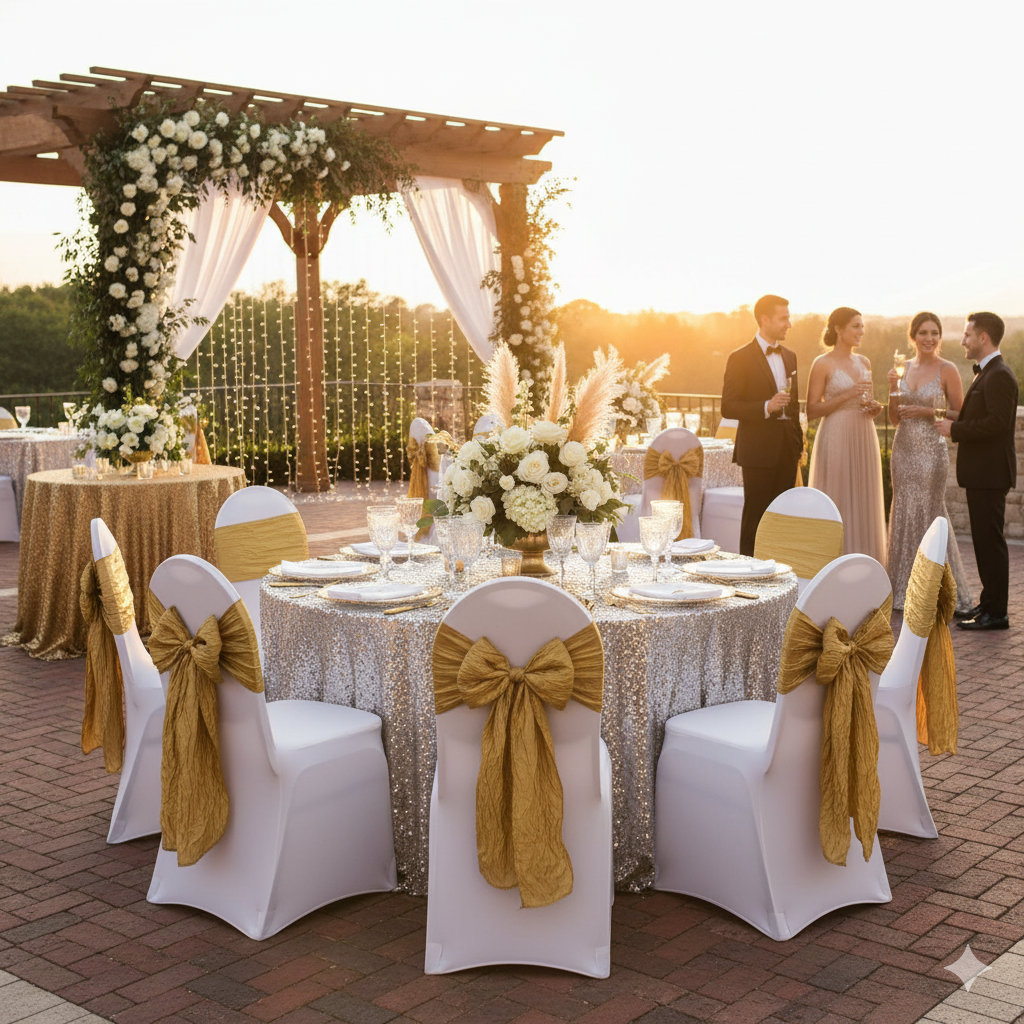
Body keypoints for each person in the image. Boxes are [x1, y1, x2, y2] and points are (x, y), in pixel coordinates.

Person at [886, 313, 973, 614]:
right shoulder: (904, 368)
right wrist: (893, 388)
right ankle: (903, 587)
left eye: (935, 333)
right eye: (923, 333)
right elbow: (895, 418)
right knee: (904, 511)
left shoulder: (947, 369)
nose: (929, 338)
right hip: (903, 450)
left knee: (931, 512)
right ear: (913, 336)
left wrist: (925, 411)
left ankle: (939, 591)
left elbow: (960, 414)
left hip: (932, 452)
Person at [937, 312, 1018, 631]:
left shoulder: (999, 375)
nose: (963, 341)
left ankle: (997, 613)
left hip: (990, 474)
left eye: (967, 335)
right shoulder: (988, 372)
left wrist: (955, 429)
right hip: (983, 474)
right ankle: (989, 603)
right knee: (984, 543)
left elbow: (997, 423)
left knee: (991, 543)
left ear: (983, 338)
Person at [721, 294, 803, 555]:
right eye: (783, 318)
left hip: (787, 452)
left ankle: (779, 571)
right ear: (765, 319)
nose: (789, 324)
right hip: (757, 453)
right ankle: (748, 570)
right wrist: (766, 406)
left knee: (783, 520)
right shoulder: (740, 357)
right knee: (755, 520)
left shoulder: (790, 357)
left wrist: (798, 447)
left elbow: (794, 406)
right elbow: (728, 406)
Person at [806, 307, 887, 566]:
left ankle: (864, 566)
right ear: (838, 330)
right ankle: (832, 564)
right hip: (837, 435)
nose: (861, 331)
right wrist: (849, 394)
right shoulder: (822, 363)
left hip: (864, 434)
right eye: (856, 326)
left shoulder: (864, 363)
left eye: (863, 326)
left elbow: (866, 400)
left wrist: (874, 408)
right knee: (838, 496)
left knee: (863, 499)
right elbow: (812, 410)